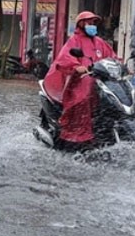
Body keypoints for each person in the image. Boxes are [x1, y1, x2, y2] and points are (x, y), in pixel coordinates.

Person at [42, 11, 119, 149]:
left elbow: (112, 56)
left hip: (99, 81)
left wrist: (121, 66)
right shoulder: (74, 41)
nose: (92, 25)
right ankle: (77, 136)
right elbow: (65, 57)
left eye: (94, 23)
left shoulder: (100, 42)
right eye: (89, 22)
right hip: (80, 81)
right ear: (81, 24)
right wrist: (77, 66)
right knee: (82, 98)